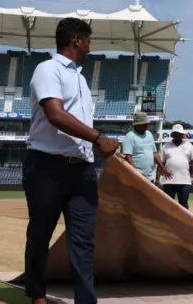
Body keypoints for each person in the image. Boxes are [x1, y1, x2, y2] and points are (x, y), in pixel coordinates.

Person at [23, 17, 119, 304]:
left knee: (83, 241)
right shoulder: (47, 69)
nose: (90, 48)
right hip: (46, 167)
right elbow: (56, 114)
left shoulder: (80, 78)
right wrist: (98, 138)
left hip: (81, 170)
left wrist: (94, 144)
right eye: (88, 42)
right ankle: (37, 296)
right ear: (77, 40)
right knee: (40, 234)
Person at [122, 112, 170, 185]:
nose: (147, 125)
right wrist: (136, 173)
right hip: (136, 177)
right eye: (145, 124)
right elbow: (128, 157)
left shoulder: (149, 134)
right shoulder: (130, 136)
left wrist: (162, 166)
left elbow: (154, 153)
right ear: (138, 125)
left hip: (150, 177)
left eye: (147, 124)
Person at [158, 124, 193, 209]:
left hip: (184, 181)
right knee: (168, 205)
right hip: (168, 181)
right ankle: (168, 222)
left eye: (178, 133)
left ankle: (184, 222)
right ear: (172, 134)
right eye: (175, 133)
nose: (176, 135)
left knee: (183, 205)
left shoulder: (189, 145)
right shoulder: (165, 146)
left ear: (182, 135)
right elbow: (161, 163)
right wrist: (157, 178)